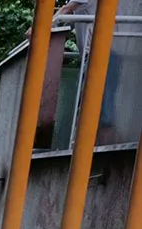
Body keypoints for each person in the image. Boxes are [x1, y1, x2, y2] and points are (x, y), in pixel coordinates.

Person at [29, 0, 119, 143]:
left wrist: (38, 30)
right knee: (101, 110)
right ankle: (99, 151)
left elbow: (65, 12)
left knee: (97, 110)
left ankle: (96, 152)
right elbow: (68, 21)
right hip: (102, 55)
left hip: (99, 55)